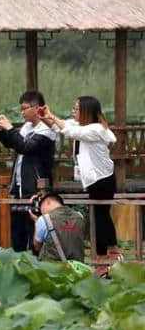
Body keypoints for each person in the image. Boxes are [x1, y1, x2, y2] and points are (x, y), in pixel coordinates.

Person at [40, 96, 119, 257]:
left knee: (100, 217)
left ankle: (106, 254)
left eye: (76, 109)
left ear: (86, 112)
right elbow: (59, 128)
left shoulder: (96, 129)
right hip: (95, 179)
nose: (73, 111)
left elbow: (70, 131)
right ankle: (109, 251)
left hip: (103, 179)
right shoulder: (81, 126)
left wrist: (52, 116)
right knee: (100, 215)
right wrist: (46, 116)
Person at [0, 91, 57, 252]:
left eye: (24, 108)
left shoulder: (47, 129)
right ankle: (18, 267)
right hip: (19, 188)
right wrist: (2, 131)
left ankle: (36, 267)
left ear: (37, 108)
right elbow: (13, 143)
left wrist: (10, 128)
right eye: (20, 109)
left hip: (36, 189)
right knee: (18, 232)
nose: (22, 112)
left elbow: (26, 147)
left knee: (35, 232)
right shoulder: (27, 127)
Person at [29, 192, 85, 262]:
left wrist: (36, 222)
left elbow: (36, 247)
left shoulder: (44, 219)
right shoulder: (79, 216)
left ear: (48, 202)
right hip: (77, 268)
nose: (41, 211)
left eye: (41, 207)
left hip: (52, 270)